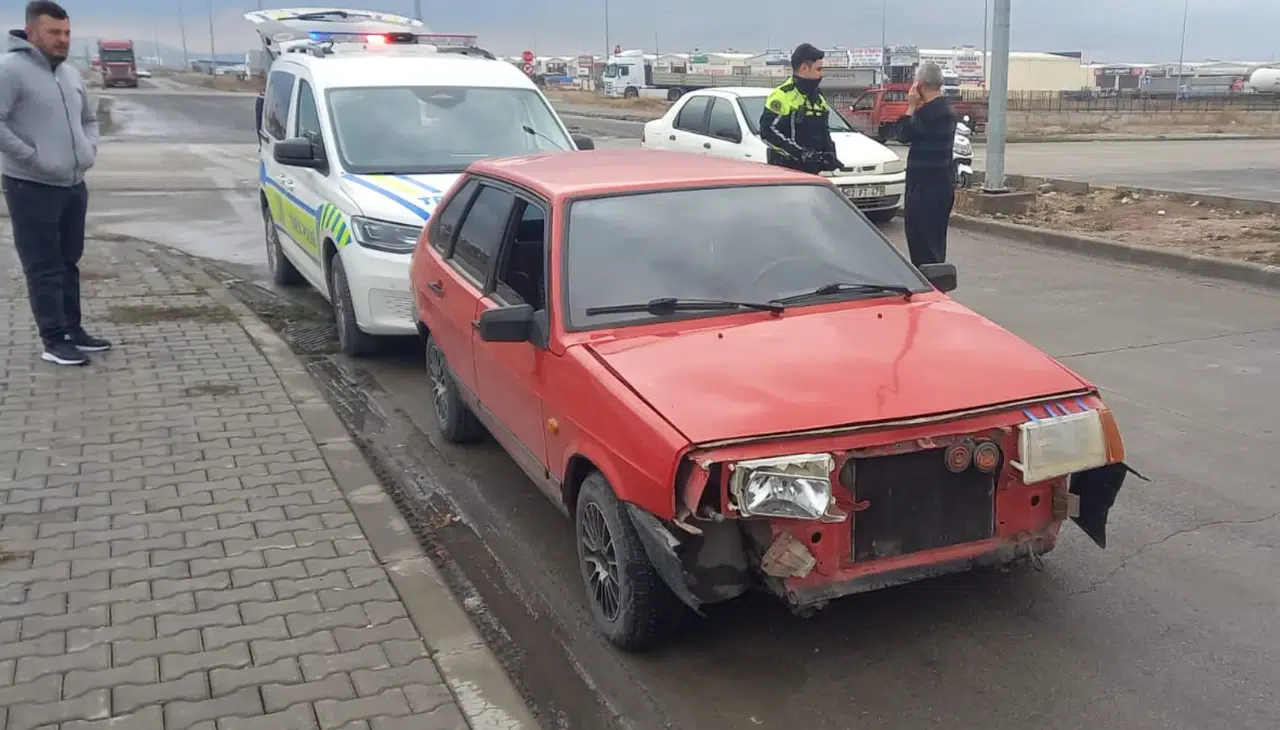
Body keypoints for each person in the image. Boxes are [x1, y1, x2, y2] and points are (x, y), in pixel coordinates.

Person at [0, 0, 110, 366]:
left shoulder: (70, 74)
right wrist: (33, 158)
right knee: (43, 267)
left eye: (66, 33)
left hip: (73, 184)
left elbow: (89, 119)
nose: (62, 39)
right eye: (54, 32)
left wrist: (89, 150)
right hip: (31, 186)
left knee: (68, 262)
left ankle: (73, 330)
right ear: (31, 33)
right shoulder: (10, 70)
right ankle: (54, 339)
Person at [897, 63, 958, 267]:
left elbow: (903, 134)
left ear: (919, 84)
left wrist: (911, 106)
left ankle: (930, 283)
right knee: (935, 244)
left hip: (923, 189)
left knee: (921, 247)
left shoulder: (926, 114)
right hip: (942, 185)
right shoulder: (947, 109)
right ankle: (937, 279)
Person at [759, 43, 841, 176]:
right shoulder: (782, 95)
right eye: (818, 69)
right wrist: (800, 153)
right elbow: (767, 132)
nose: (822, 74)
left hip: (812, 170)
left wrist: (829, 153)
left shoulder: (818, 97)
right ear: (804, 68)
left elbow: (824, 130)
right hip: (786, 170)